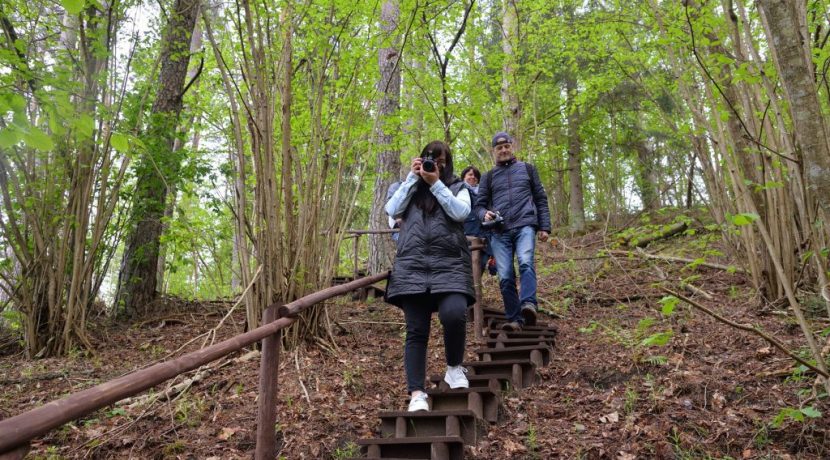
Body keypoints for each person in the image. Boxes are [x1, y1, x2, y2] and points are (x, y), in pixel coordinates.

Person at [385, 140, 475, 412]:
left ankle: (454, 368)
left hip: (450, 264)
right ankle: (416, 393)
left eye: (441, 161)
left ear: (447, 164)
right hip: (412, 266)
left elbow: (461, 213)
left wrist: (436, 183)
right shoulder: (407, 187)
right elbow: (392, 210)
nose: (434, 165)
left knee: (455, 313)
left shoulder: (459, 188)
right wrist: (414, 178)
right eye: (429, 159)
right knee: (416, 330)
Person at [474, 132, 551, 331]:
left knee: (526, 263)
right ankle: (514, 319)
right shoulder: (488, 177)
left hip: (525, 224)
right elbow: (479, 206)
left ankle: (528, 305)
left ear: (512, 146)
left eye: (506, 146)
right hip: (499, 231)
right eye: (499, 148)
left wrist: (544, 227)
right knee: (505, 275)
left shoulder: (527, 169)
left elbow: (540, 198)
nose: (504, 150)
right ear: (494, 152)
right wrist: (485, 214)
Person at [459, 165, 494, 275]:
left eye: (475, 176)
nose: (473, 177)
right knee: (466, 270)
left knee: (481, 266)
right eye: (470, 174)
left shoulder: (484, 194)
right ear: (463, 177)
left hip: (484, 237)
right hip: (466, 237)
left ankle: (475, 291)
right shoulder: (458, 192)